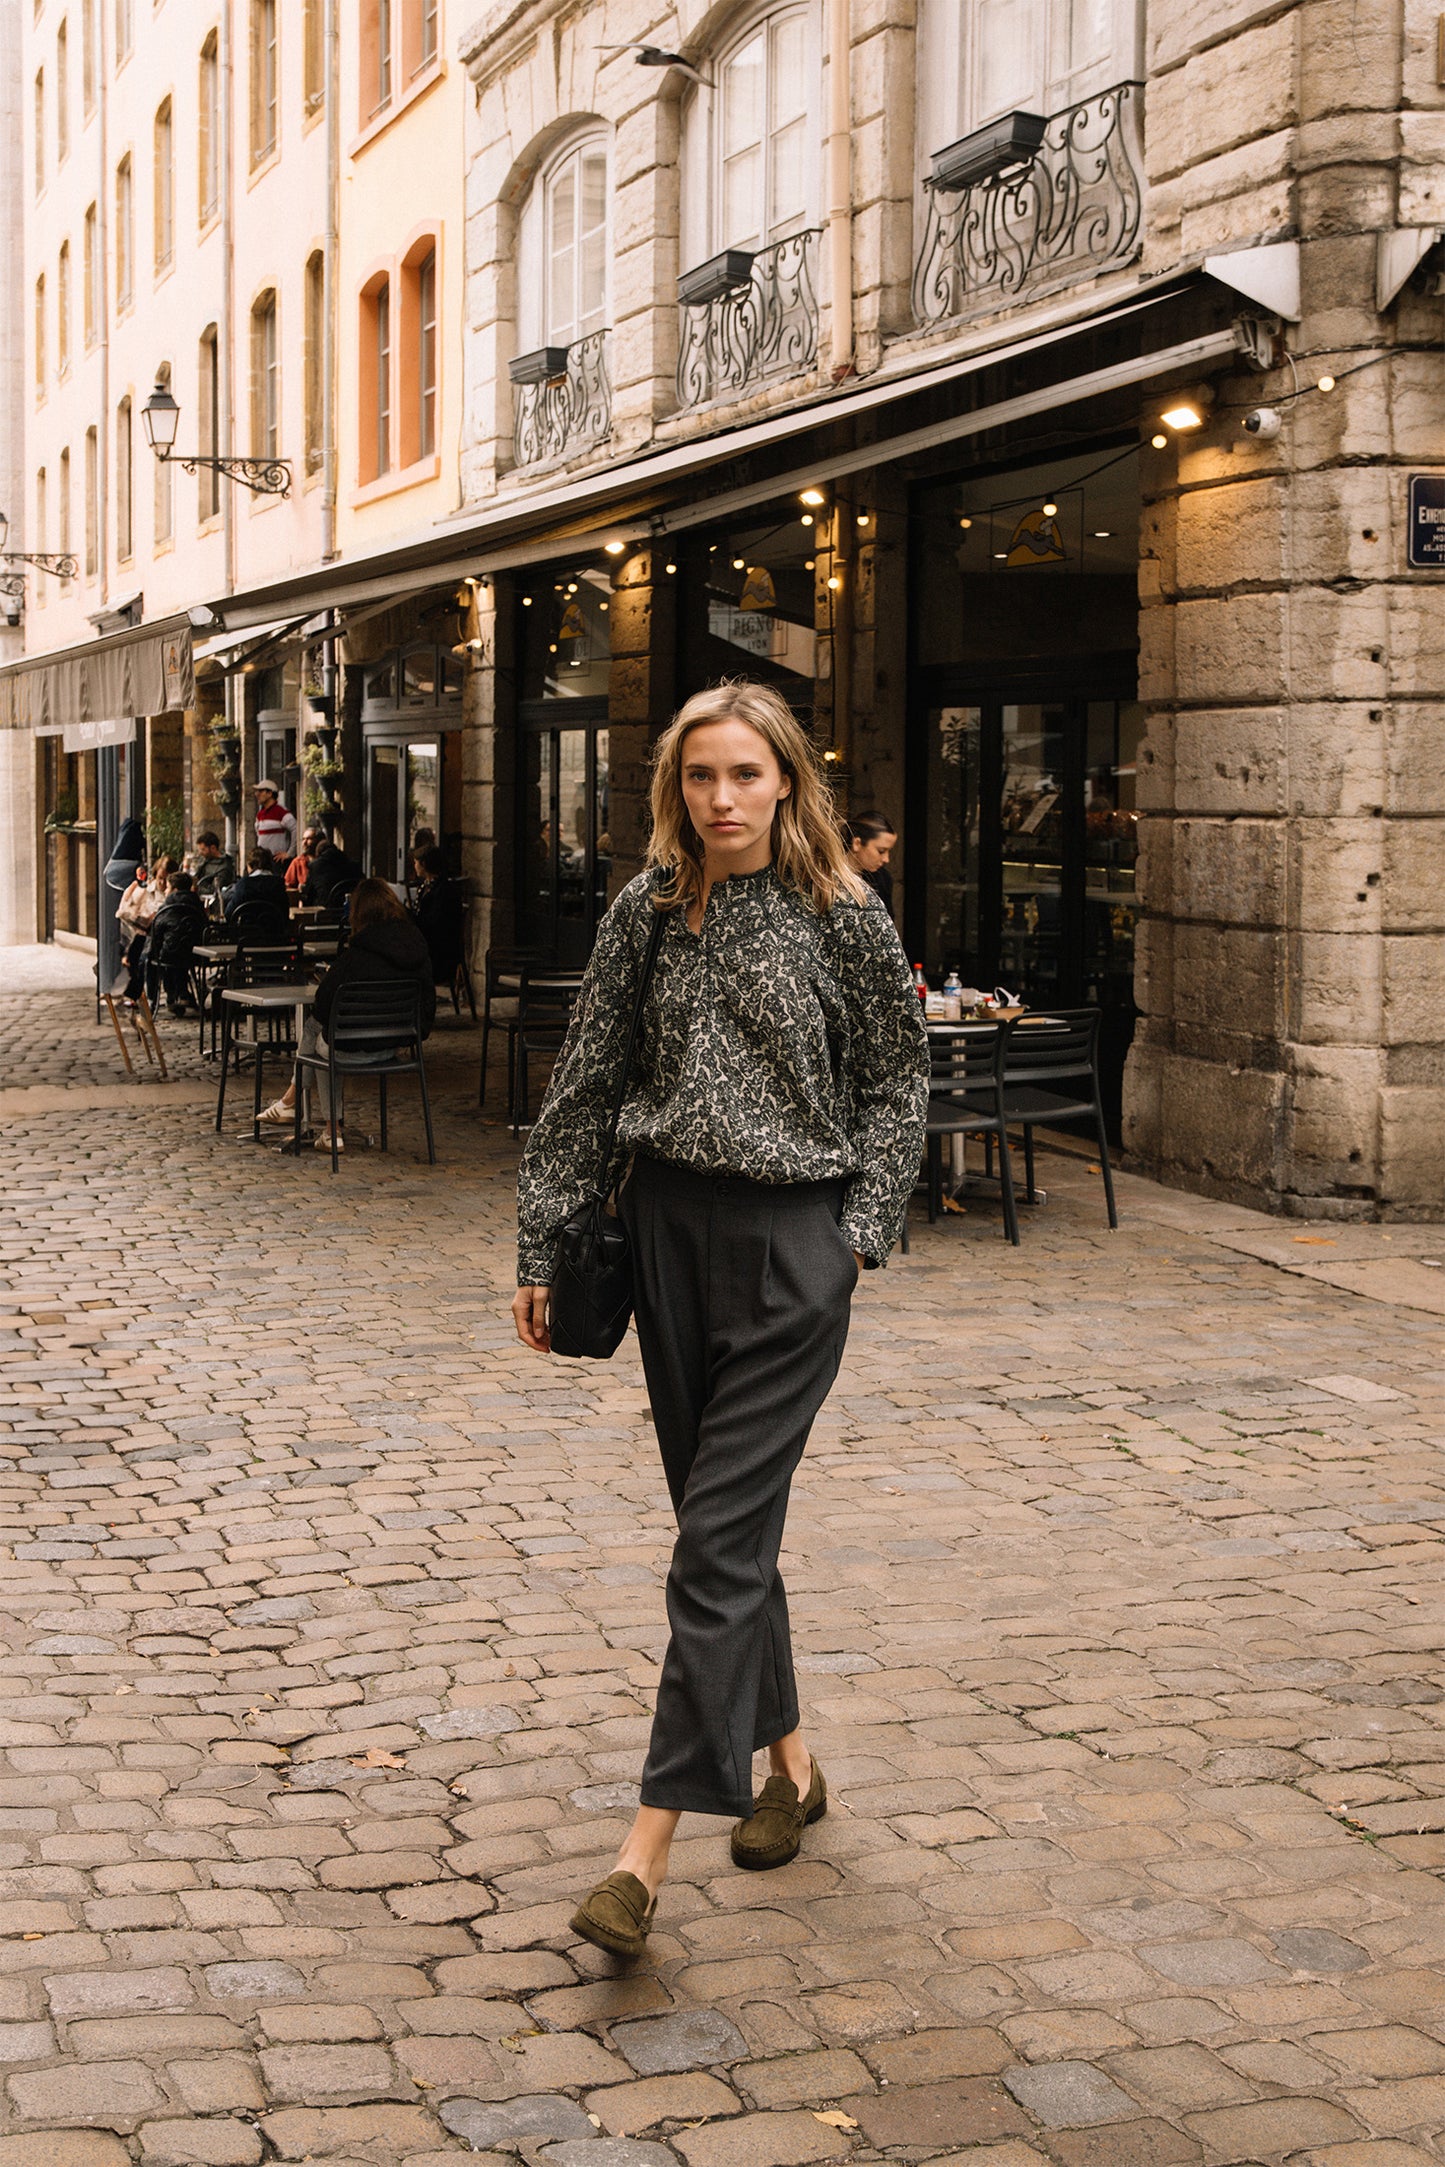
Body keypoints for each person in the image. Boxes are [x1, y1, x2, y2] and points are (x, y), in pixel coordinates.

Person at [513, 680, 929, 1960]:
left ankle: (640, 1858)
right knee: (723, 1528)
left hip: (794, 1247)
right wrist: (545, 1234)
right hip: (665, 1242)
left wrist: (858, 1232)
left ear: (787, 781)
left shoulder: (842, 915)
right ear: (674, 790)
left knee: (710, 1548)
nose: (722, 799)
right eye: (701, 778)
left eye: (746, 775)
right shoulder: (648, 909)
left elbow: (895, 1077)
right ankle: (790, 1769)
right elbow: (585, 1083)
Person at [258, 876, 435, 1153]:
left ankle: (313, 1117)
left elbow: (322, 1003)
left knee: (319, 1034)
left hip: (352, 1048)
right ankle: (299, 1108)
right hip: (395, 1044)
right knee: (325, 1036)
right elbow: (428, 1005)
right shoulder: (418, 949)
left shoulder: (357, 957)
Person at [145, 871, 207, 1016]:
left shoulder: (167, 906)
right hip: (196, 955)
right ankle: (182, 994)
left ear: (175, 890)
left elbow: (156, 932)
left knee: (154, 956)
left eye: (167, 888)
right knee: (178, 951)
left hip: (170, 954)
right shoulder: (197, 905)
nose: (165, 891)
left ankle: (161, 998)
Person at [410, 845, 466, 987]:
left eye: (416, 862)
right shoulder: (426, 886)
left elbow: (434, 924)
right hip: (428, 944)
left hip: (439, 953)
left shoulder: (444, 890)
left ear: (423, 864)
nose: (414, 866)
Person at [845, 812, 898, 916]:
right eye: (881, 851)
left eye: (889, 851)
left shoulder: (882, 879)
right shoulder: (828, 876)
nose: (886, 859)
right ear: (857, 844)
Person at [223, 848, 289, 925]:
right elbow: (285, 914)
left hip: (247, 933)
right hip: (273, 933)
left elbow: (229, 913)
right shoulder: (279, 884)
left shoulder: (244, 884)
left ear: (250, 866)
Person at [303, 835, 364, 911]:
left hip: (323, 911)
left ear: (318, 854)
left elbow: (308, 893)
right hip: (349, 910)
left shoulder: (315, 866)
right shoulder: (353, 865)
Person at [252, 781, 297, 867]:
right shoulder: (260, 815)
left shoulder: (281, 812)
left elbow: (296, 829)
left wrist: (289, 853)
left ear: (270, 793)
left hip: (277, 862)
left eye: (261, 791)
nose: (257, 794)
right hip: (262, 861)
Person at [190, 831, 236, 906]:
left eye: (203, 849)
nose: (200, 853)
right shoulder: (205, 859)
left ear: (213, 848)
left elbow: (216, 890)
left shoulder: (225, 866)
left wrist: (198, 887)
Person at [285, 827, 324, 894]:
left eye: (309, 839)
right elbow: (288, 885)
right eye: (303, 839)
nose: (304, 842)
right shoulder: (297, 862)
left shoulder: (325, 861)